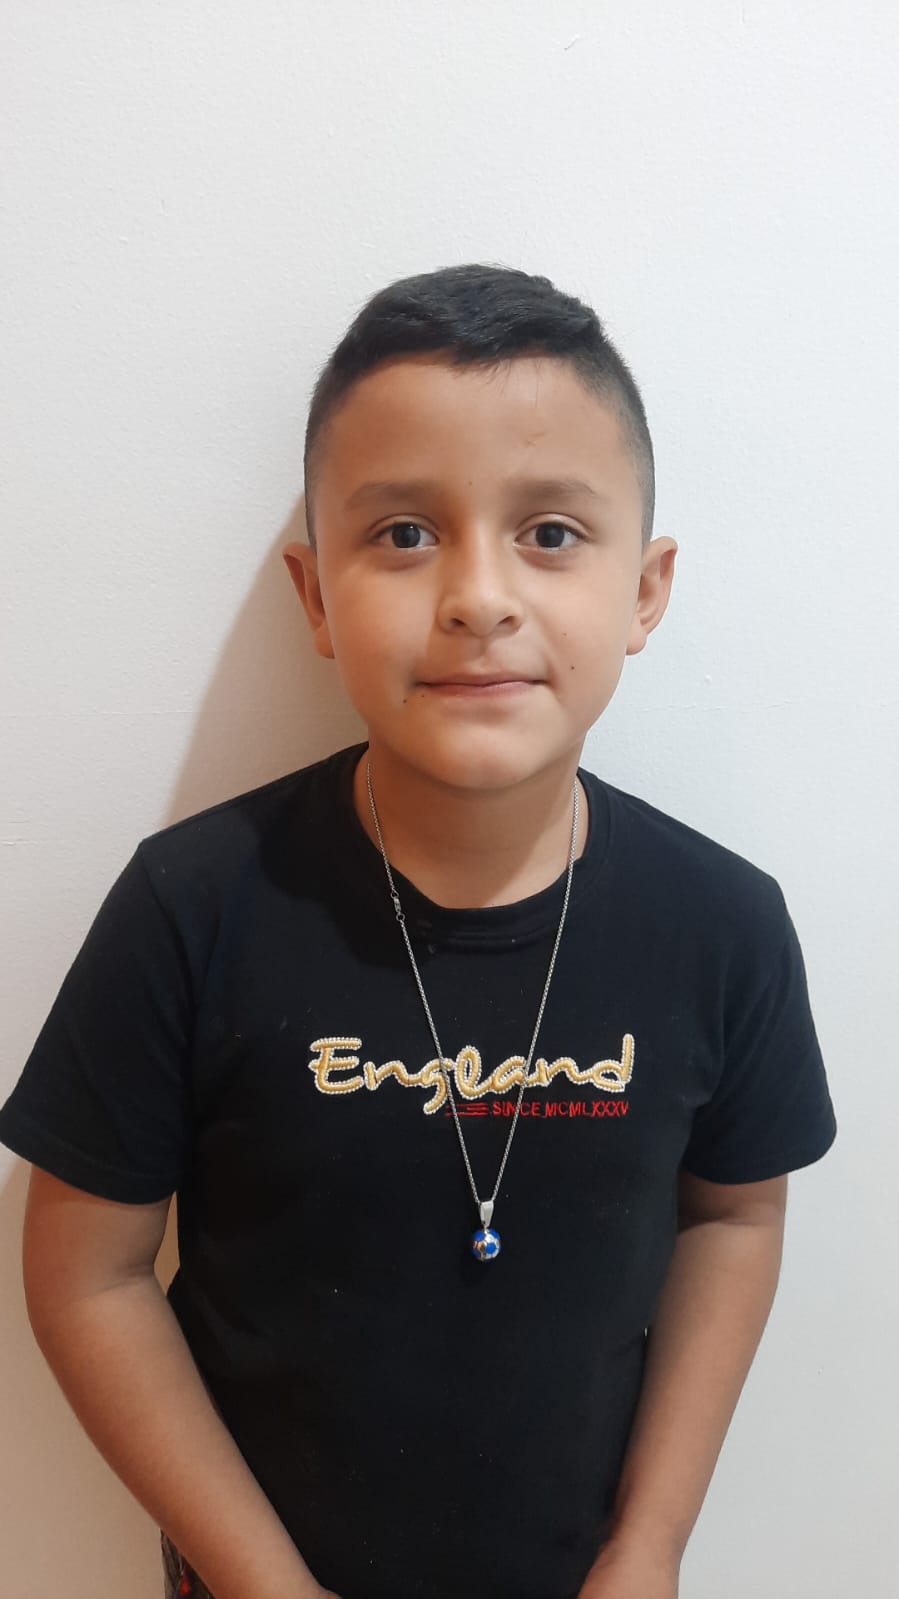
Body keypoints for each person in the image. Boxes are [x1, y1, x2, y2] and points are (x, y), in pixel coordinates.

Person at [0, 263, 836, 1599]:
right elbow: (85, 1274)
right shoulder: (190, 907)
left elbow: (735, 1217)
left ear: (646, 589)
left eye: (550, 532)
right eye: (403, 533)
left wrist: (652, 1546)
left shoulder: (723, 924)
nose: (478, 596)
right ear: (316, 596)